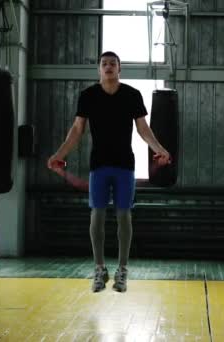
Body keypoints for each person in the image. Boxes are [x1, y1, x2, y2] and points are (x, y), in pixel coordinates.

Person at [47, 51, 171, 293]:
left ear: (119, 69)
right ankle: (99, 269)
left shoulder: (132, 95)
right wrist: (59, 155)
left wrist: (159, 148)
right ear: (99, 70)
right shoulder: (88, 96)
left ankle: (122, 270)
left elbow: (143, 129)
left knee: (124, 217)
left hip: (125, 165)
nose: (108, 67)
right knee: (97, 216)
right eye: (104, 64)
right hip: (99, 165)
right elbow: (76, 130)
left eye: (113, 63)